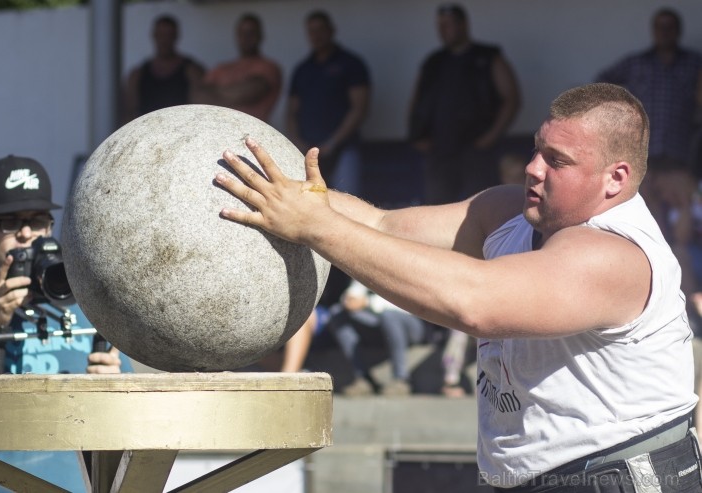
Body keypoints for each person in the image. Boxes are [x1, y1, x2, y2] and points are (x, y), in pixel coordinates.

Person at [216, 83, 700, 491]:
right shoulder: (507, 211)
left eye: (558, 160)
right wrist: (288, 196)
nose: (533, 167)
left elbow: (475, 303)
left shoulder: (615, 255)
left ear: (615, 179)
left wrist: (316, 227)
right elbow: (385, 226)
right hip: (529, 474)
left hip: (615, 475)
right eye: (537, 148)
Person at [0, 155, 131, 492]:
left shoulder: (88, 310)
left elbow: (132, 427)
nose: (25, 234)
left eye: (37, 220)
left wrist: (115, 388)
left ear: (51, 228)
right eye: (9, 222)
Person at [408, 3, 521, 205]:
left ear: (463, 24)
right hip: (440, 149)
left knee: (481, 205)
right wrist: (416, 134)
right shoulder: (433, 61)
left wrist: (491, 136)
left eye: (448, 24)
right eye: (440, 25)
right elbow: (417, 100)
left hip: (476, 149)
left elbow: (511, 98)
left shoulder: (487, 57)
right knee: (437, 208)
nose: (443, 30)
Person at [596, 8, 702, 168]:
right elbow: (601, 83)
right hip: (642, 148)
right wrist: (621, 110)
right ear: (654, 31)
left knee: (678, 191)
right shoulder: (637, 63)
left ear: (678, 31)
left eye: (670, 27)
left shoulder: (695, 63)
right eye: (660, 27)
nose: (665, 32)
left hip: (683, 148)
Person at [286, 10, 371, 196]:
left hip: (344, 149)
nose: (316, 35)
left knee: (348, 205)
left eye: (320, 30)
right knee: (311, 205)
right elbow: (291, 112)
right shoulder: (302, 69)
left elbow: (359, 109)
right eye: (311, 31)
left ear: (331, 30)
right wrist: (297, 144)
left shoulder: (351, 64)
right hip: (308, 153)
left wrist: (332, 143)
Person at [327, 279, 426, 397]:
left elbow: (409, 302)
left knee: (389, 316)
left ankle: (402, 379)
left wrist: (367, 302)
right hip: (378, 321)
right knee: (337, 313)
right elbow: (354, 291)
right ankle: (364, 378)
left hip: (413, 321)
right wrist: (349, 299)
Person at [193, 13, 282, 123]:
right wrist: (235, 93)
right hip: (219, 132)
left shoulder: (268, 67)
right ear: (236, 36)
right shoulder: (221, 68)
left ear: (260, 36)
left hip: (254, 133)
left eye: (251, 33)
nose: (246, 38)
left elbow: (249, 93)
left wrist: (214, 93)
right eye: (242, 33)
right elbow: (198, 97)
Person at [123, 14, 205, 123]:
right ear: (154, 36)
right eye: (161, 35)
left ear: (176, 36)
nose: (164, 40)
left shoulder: (192, 71)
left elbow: (202, 110)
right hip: (146, 132)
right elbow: (129, 112)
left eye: (169, 35)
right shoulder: (138, 74)